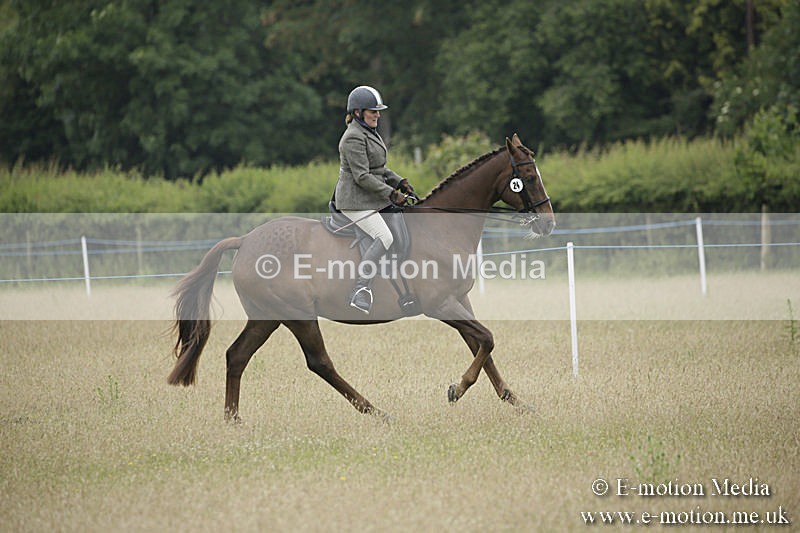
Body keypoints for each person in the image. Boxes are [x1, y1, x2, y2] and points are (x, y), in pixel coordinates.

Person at [334, 85, 416, 314]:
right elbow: (362, 176)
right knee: (384, 236)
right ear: (358, 112)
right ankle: (360, 289)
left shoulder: (368, 132)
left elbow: (379, 168)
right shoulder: (352, 138)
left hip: (370, 198)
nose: (378, 115)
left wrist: (400, 181)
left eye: (378, 111)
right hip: (355, 201)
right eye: (373, 111)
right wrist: (391, 194)